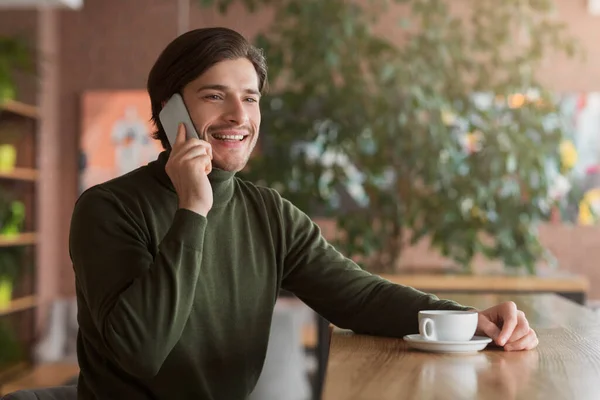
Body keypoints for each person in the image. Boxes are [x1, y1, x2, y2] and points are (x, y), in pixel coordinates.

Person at [69, 27, 538, 400]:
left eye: (250, 98)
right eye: (215, 95)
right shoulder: (107, 209)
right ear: (170, 111)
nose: (239, 115)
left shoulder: (269, 214)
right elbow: (141, 352)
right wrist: (193, 208)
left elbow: (359, 297)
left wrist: (470, 319)